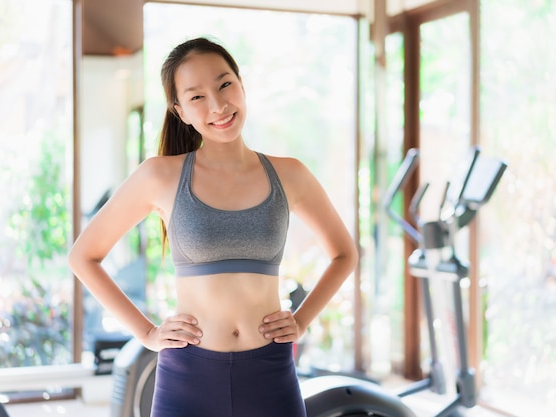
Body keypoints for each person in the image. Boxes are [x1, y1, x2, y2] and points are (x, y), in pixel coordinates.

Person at [68, 37, 358, 417]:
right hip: (188, 379)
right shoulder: (160, 176)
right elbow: (83, 256)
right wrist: (147, 333)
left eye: (224, 85)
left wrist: (301, 321)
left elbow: (344, 253)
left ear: (241, 84)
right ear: (180, 111)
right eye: (196, 96)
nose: (218, 106)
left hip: (270, 375)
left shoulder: (290, 174)